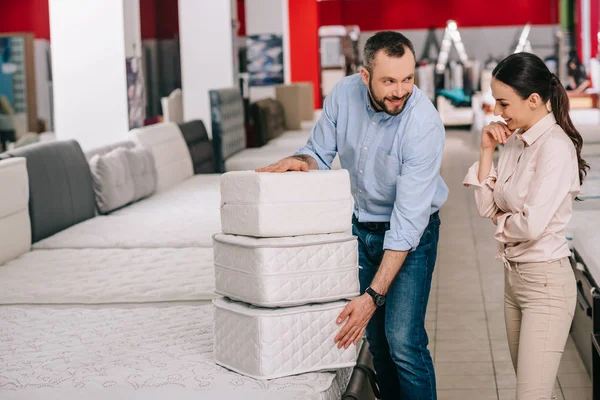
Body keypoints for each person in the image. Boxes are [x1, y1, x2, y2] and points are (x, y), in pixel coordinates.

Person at [256, 31, 448, 400]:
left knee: (403, 343)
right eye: (389, 80)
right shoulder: (344, 95)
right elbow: (318, 151)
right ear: (365, 76)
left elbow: (408, 222)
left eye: (408, 78)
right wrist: (302, 161)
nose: (401, 90)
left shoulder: (423, 125)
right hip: (360, 229)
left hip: (413, 234)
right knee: (376, 341)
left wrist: (373, 296)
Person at [463, 52, 589, 400]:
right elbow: (487, 206)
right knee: (535, 393)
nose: (497, 111)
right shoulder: (516, 142)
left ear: (533, 100)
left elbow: (531, 226)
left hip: (546, 285)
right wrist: (486, 150)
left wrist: (501, 223)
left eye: (504, 103)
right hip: (514, 283)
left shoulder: (556, 149)